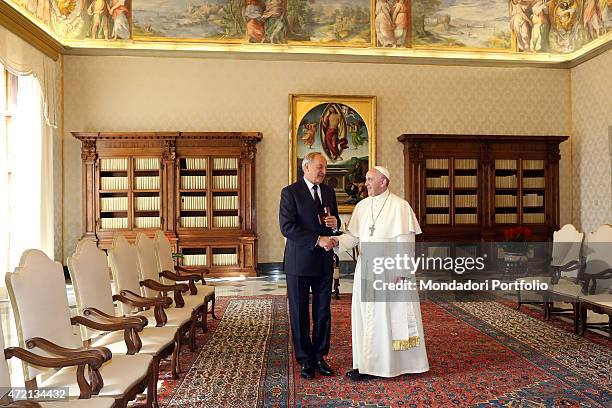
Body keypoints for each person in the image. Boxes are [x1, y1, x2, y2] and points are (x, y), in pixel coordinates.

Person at [332, 166, 430, 380]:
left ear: (383, 182)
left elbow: (406, 246)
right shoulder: (362, 206)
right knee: (363, 317)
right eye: (366, 179)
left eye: (369, 179)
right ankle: (364, 364)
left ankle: (385, 366)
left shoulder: (400, 207)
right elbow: (353, 237)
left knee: (385, 319)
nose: (365, 183)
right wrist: (335, 241)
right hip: (366, 269)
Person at [279, 152, 340, 380]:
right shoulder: (290, 192)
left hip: (324, 261)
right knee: (300, 312)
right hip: (299, 264)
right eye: (319, 167)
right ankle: (305, 359)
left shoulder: (329, 192)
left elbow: (333, 222)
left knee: (323, 312)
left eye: (325, 168)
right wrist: (317, 239)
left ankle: (319, 356)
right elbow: (287, 227)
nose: (323, 171)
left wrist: (335, 225)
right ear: (306, 167)